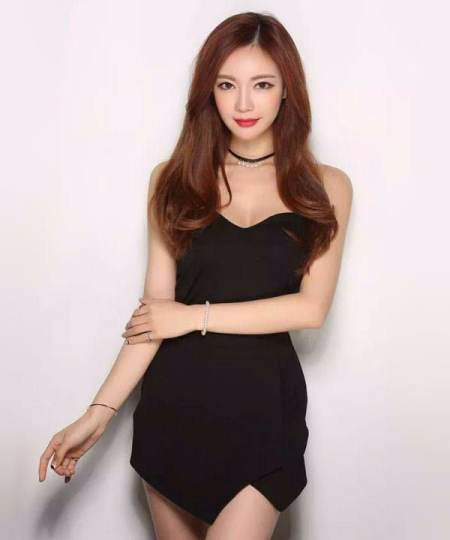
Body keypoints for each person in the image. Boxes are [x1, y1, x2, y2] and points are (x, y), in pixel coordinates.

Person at [39, 11, 352, 540]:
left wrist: (192, 316)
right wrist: (98, 413)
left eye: (262, 84)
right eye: (227, 85)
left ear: (287, 91)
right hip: (174, 408)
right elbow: (153, 315)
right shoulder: (173, 179)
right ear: (209, 90)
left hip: (263, 412)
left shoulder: (326, 186)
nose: (244, 103)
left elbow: (310, 309)